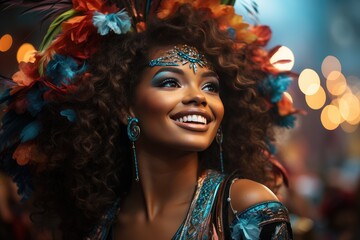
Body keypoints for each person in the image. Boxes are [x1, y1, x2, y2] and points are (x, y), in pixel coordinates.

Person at [0, 0, 298, 239]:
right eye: (170, 82)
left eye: (210, 86)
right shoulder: (101, 226)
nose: (200, 97)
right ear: (125, 107)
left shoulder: (246, 209)